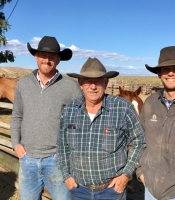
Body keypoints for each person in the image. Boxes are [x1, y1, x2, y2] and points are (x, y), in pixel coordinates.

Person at [57, 57, 145, 200]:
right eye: (88, 81)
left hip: (111, 191)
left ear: (106, 82)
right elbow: (62, 146)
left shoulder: (122, 107)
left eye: (98, 81)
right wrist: (66, 176)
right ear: (81, 83)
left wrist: (126, 175)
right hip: (78, 190)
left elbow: (139, 141)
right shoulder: (70, 110)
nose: (93, 86)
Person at [10, 36, 82, 200]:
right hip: (27, 159)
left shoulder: (70, 87)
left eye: (52, 56)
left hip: (57, 160)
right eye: (43, 55)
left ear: (58, 60)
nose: (47, 60)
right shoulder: (23, 84)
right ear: (36, 57)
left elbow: (80, 122)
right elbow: (17, 115)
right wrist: (15, 143)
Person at [136, 46, 175, 200]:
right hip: (150, 190)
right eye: (165, 69)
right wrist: (140, 172)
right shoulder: (150, 103)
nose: (170, 73)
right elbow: (138, 139)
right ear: (159, 74)